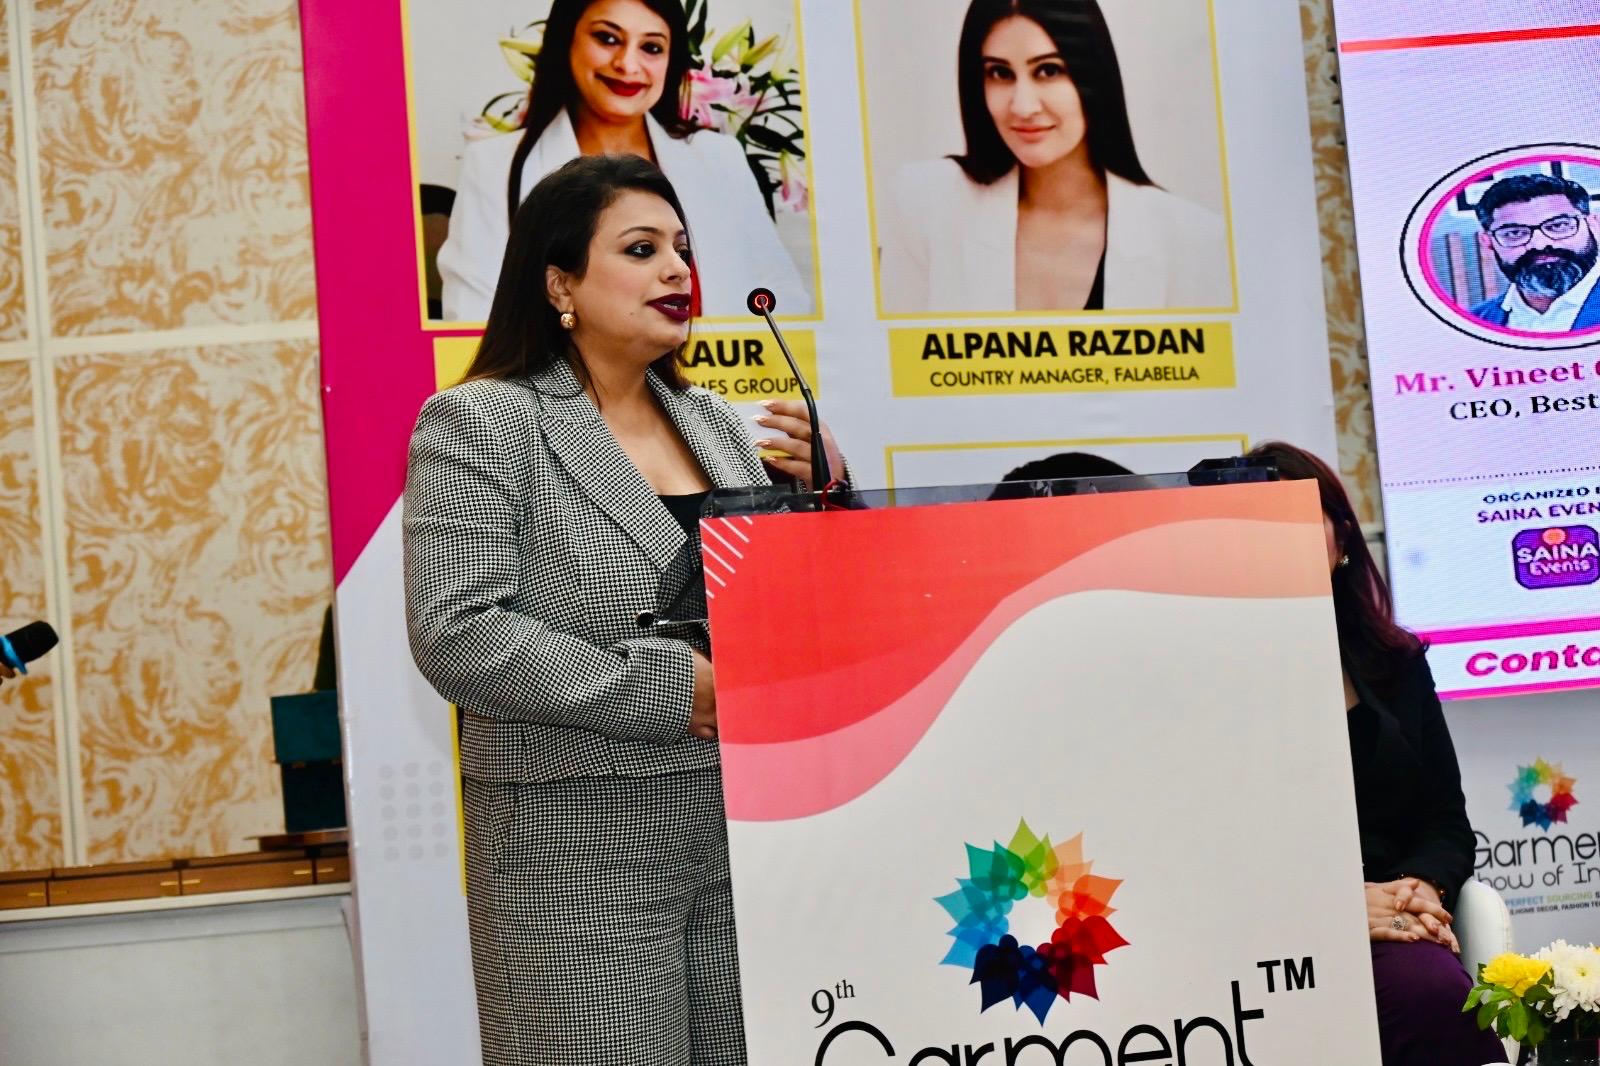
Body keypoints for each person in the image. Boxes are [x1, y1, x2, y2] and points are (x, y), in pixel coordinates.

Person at [403, 154, 842, 1065]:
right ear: (559, 283)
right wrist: (675, 691)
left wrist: (831, 497)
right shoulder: (482, 422)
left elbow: (795, 611)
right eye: (641, 250)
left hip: (745, 843)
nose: (677, 270)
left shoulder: (719, 426)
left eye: (683, 249)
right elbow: (457, 631)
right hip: (573, 854)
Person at [1248, 442, 1507, 1066]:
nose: (1279, 540)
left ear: (1340, 539)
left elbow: (1445, 824)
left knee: (1432, 994)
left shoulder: (1397, 663)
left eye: (1297, 517)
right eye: (1258, 524)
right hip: (1258, 927)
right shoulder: (1196, 682)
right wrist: (1331, 904)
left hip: (1388, 924)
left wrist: (1419, 891)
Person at [437, 0, 810, 322]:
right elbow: (471, 322)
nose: (628, 64)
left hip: (719, 380)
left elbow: (783, 305)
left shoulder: (720, 159)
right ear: (567, 40)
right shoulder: (493, 166)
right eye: (608, 38)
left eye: (651, 47)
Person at [878, 0, 1228, 314]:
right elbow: (892, 358)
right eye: (1000, 73)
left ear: (1094, 76)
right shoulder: (924, 205)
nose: (1023, 106)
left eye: (1048, 70)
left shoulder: (1192, 241)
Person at [1468, 172, 1600, 332]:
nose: (1539, 244)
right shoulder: (1471, 324)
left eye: (1558, 225)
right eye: (1514, 233)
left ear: (1594, 225)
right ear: (1488, 242)